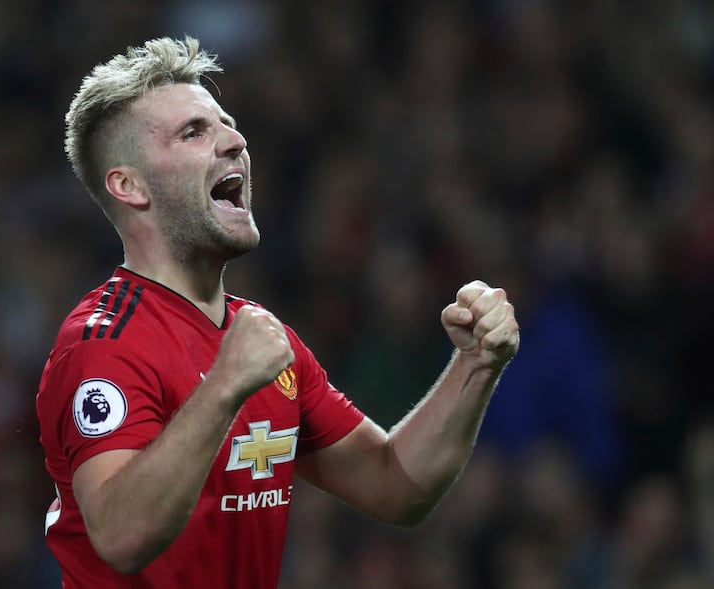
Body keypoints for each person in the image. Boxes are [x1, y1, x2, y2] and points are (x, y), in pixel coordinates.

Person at [36, 36, 520, 589]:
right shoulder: (103, 344)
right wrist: (225, 384)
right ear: (130, 186)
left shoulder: (261, 340)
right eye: (194, 132)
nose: (236, 141)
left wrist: (477, 364)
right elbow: (121, 536)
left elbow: (394, 486)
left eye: (227, 125)